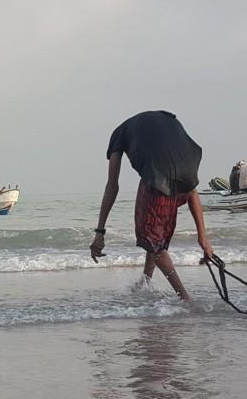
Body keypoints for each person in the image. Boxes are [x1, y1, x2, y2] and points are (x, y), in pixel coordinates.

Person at [89, 110, 214, 302]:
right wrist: (203, 238)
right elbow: (192, 191)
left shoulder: (118, 135)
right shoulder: (161, 121)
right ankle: (146, 280)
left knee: (151, 238)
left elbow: (112, 185)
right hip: (189, 168)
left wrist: (100, 232)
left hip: (159, 174)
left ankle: (185, 298)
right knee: (154, 232)